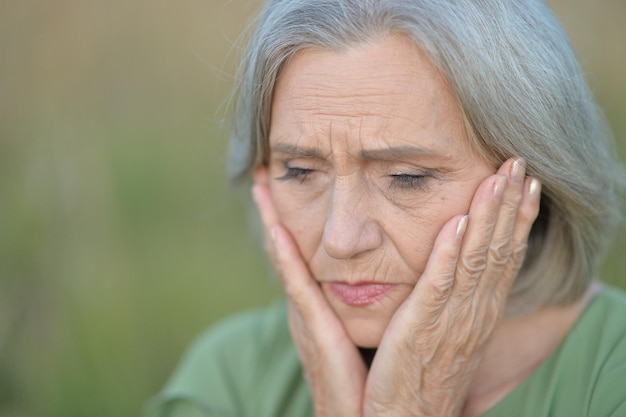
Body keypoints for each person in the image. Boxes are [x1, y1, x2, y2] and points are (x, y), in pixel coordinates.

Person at [145, 0, 626, 416]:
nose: (341, 238)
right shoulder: (229, 380)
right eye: (300, 171)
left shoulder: (611, 378)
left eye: (406, 178)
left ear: (531, 181)